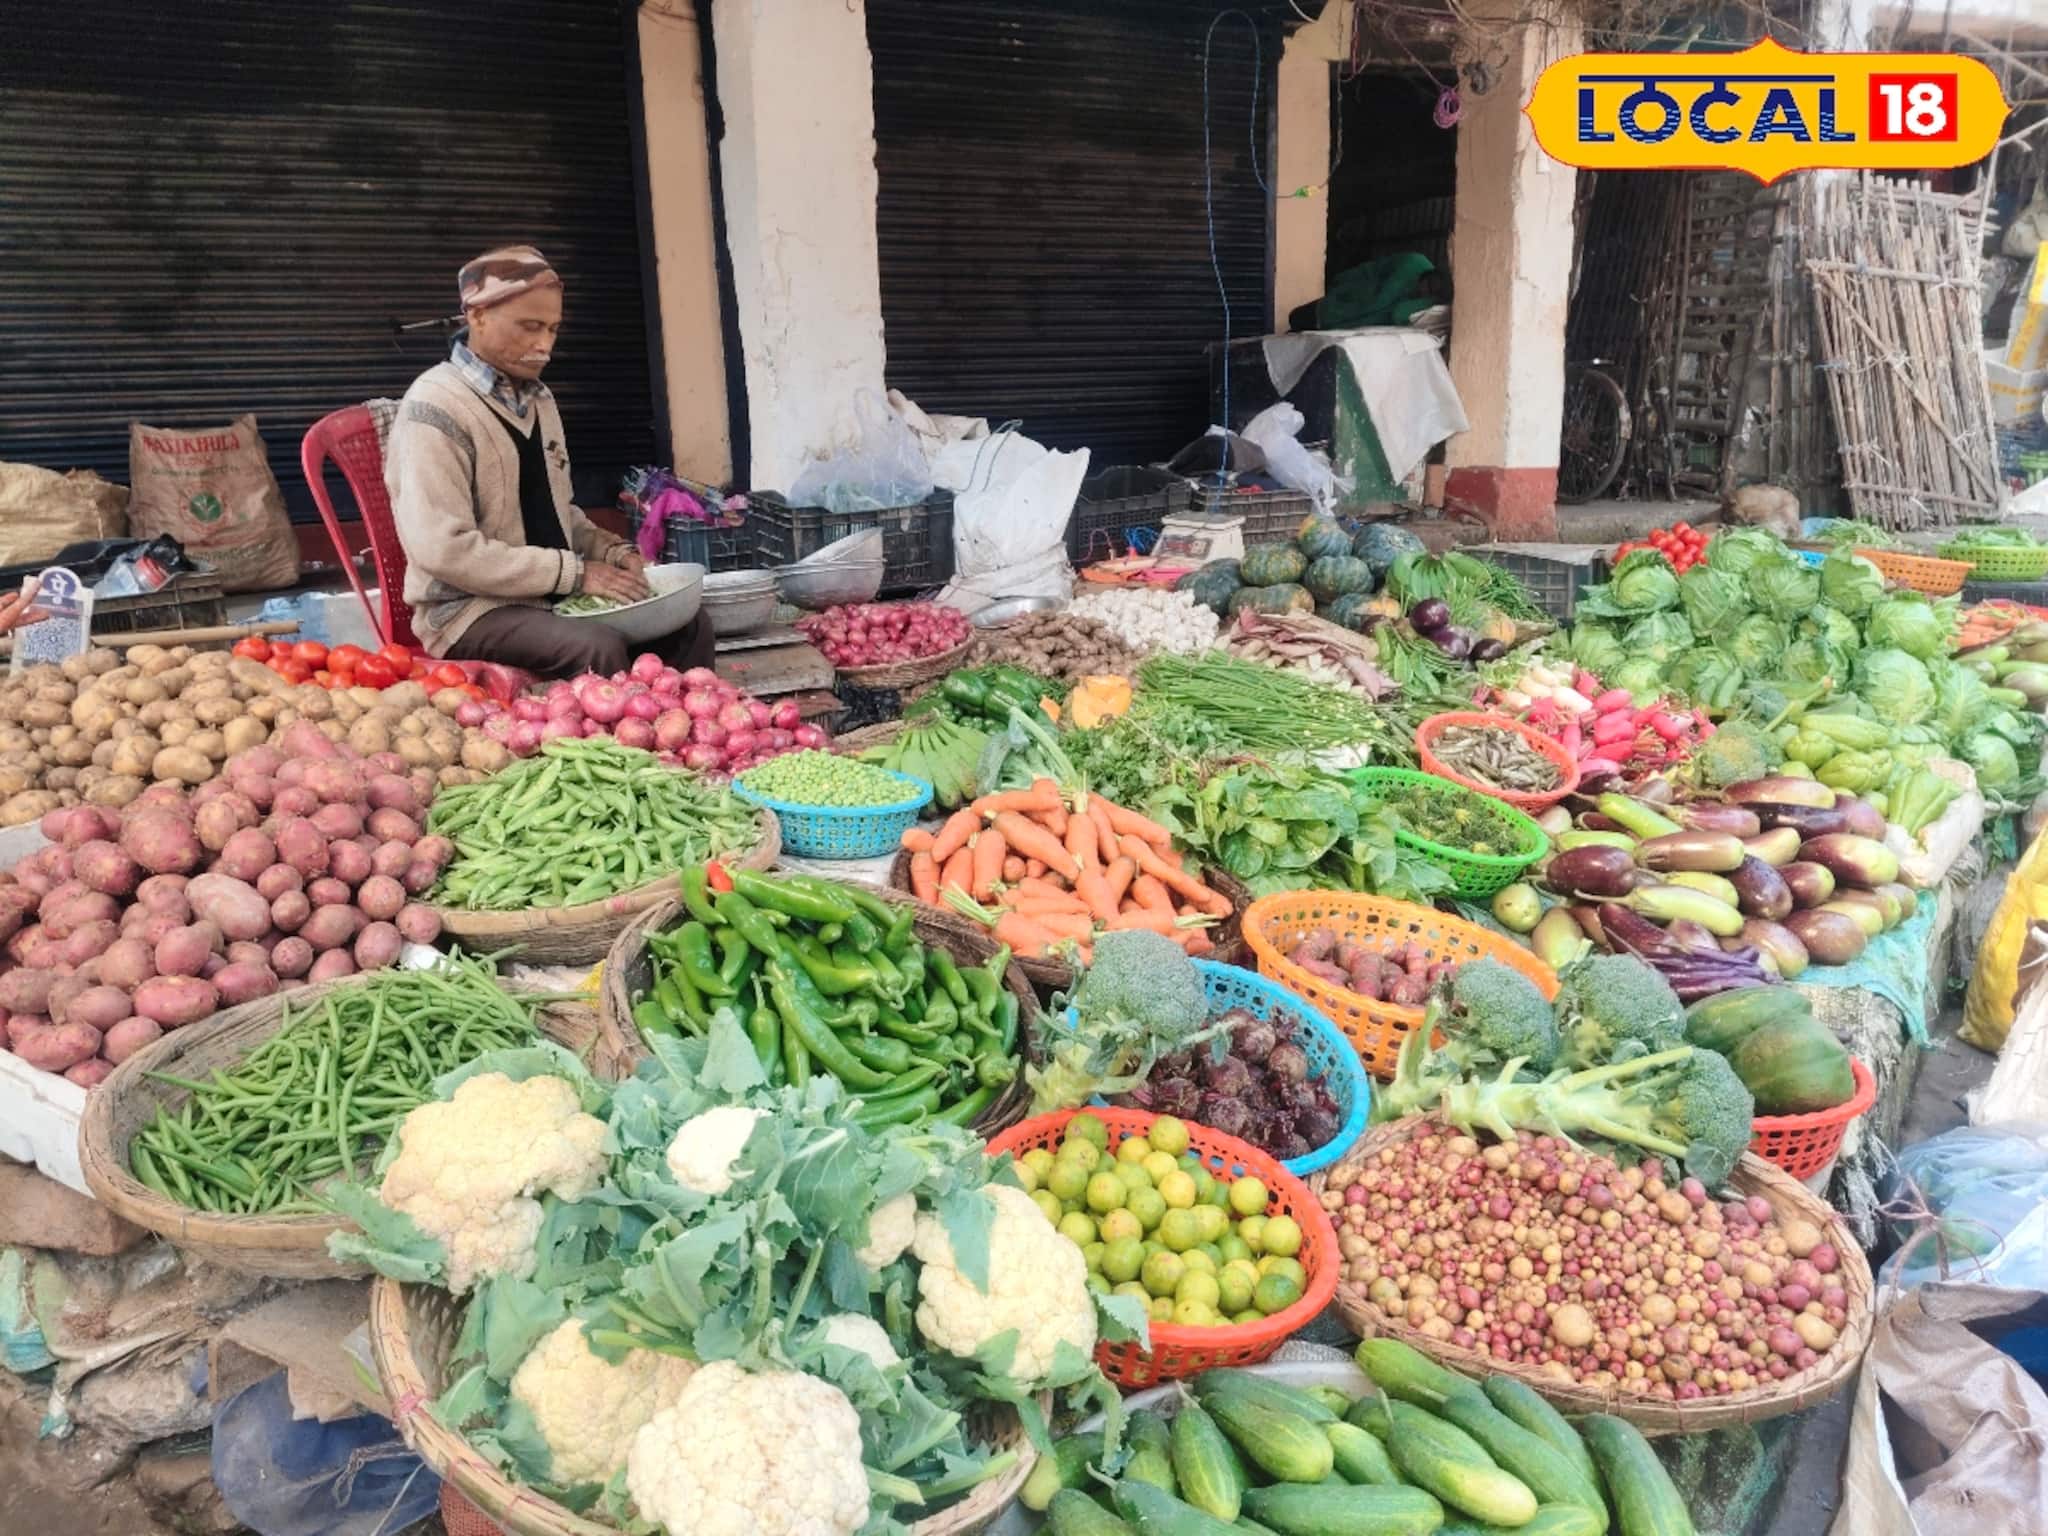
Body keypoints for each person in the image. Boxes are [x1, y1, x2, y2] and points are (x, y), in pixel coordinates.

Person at [384, 245, 716, 679]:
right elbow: (444, 550)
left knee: (689, 625)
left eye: (553, 329)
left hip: (550, 597)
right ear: (477, 316)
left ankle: (682, 740)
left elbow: (559, 513)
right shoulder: (435, 407)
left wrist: (615, 554)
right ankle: (620, 746)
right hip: (469, 611)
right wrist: (575, 575)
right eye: (529, 327)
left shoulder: (538, 400)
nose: (544, 345)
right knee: (596, 649)